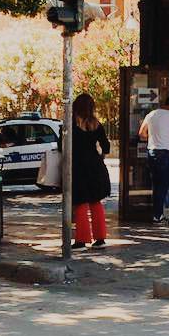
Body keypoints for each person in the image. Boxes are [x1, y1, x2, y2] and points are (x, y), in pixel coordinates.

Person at [69, 93, 112, 249]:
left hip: (78, 167)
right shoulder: (96, 124)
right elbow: (106, 146)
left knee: (80, 203)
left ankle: (81, 240)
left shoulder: (71, 125)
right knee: (95, 202)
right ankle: (100, 238)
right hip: (95, 166)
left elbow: (62, 146)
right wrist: (101, 157)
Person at [139, 94, 169, 223]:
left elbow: (141, 133)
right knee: (163, 185)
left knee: (155, 184)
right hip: (164, 153)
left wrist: (153, 138)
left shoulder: (151, 114)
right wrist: (168, 139)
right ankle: (158, 215)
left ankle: (157, 213)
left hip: (151, 152)